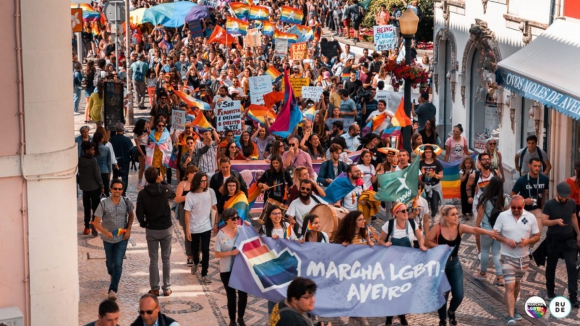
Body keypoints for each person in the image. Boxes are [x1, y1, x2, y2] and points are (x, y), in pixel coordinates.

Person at [425, 205, 498, 326]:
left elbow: (475, 230)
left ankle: (451, 311)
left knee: (458, 295)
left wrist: (489, 232)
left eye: (456, 214)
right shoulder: (437, 228)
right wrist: (440, 247)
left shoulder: (460, 227)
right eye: (453, 214)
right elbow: (427, 241)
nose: (456, 216)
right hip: (441, 265)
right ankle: (443, 320)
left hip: (454, 264)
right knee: (443, 294)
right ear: (446, 217)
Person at [493, 195, 540, 325]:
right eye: (513, 207)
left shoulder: (530, 217)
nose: (516, 210)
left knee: (517, 285)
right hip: (507, 256)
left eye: (519, 207)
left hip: (523, 258)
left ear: (523, 206)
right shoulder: (503, 216)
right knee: (509, 285)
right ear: (510, 206)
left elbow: (537, 236)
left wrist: (528, 241)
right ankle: (511, 316)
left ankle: (513, 308)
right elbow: (495, 234)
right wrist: (506, 240)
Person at [379, 202, 427, 326]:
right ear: (396, 214)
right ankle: (389, 317)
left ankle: (402, 315)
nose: (407, 213)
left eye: (407, 210)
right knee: (392, 290)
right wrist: (385, 244)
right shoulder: (389, 225)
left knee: (405, 291)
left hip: (408, 263)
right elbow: (380, 240)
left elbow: (420, 237)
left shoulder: (412, 223)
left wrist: (421, 245)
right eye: (403, 211)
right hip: (392, 264)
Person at [92, 179, 134, 300]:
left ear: (122, 190)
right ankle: (113, 275)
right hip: (107, 239)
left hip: (122, 237)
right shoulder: (104, 203)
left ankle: (113, 289)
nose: (117, 191)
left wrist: (129, 229)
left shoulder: (126, 202)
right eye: (115, 188)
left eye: (120, 189)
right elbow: (96, 222)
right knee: (110, 265)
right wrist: (105, 232)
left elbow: (131, 215)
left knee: (118, 263)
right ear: (110, 189)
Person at [136, 167, 174, 297]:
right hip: (166, 228)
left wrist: (143, 223)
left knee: (153, 260)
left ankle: (155, 288)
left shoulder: (142, 194)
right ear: (158, 176)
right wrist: (163, 182)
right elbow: (173, 195)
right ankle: (167, 288)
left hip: (151, 229)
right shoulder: (165, 189)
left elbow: (139, 212)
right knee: (166, 259)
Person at [541, 182, 579, 306]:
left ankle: (573, 296)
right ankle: (550, 291)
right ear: (557, 193)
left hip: (569, 240)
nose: (564, 199)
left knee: (572, 267)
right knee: (551, 267)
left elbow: (573, 218)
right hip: (553, 240)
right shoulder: (549, 204)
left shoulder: (572, 203)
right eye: (562, 196)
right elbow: (544, 222)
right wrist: (556, 222)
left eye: (566, 196)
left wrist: (579, 233)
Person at [332, 210, 372, 326]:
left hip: (363, 270)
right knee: (354, 294)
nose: (363, 221)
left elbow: (370, 247)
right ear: (353, 222)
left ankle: (354, 318)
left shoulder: (366, 233)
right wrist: (342, 247)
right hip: (350, 271)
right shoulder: (344, 236)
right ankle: (360, 317)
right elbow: (335, 253)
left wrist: (371, 245)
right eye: (360, 220)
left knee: (361, 294)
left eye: (363, 218)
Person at [215, 208, 248, 326]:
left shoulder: (241, 230)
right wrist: (230, 253)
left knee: (243, 294)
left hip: (241, 269)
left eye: (237, 217)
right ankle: (232, 320)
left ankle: (241, 317)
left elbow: (254, 237)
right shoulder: (221, 234)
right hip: (227, 270)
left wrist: (248, 226)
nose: (236, 220)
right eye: (233, 218)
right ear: (226, 220)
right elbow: (216, 253)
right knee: (231, 295)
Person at [473, 177, 507, 286]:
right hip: (498, 231)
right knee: (497, 253)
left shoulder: (484, 198)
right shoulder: (504, 199)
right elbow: (506, 215)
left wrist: (476, 228)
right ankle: (500, 277)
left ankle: (483, 273)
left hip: (486, 229)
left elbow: (480, 215)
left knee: (485, 251)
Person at [185, 172, 217, 283]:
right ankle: (195, 262)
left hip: (206, 226)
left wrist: (215, 223)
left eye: (206, 180)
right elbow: (187, 213)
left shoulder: (210, 192)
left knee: (205, 250)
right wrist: (187, 229)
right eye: (202, 181)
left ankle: (204, 274)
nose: (205, 183)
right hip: (194, 227)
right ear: (197, 182)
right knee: (195, 250)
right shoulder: (190, 195)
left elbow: (214, 207)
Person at [510, 157, 549, 230]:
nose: (537, 168)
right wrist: (524, 200)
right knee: (526, 230)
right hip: (524, 211)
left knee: (537, 232)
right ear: (529, 166)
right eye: (535, 166)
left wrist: (541, 207)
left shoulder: (544, 179)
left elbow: (544, 192)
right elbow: (512, 195)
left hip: (537, 210)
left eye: (539, 166)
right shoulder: (521, 180)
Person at [78, 141, 105, 235]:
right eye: (92, 150)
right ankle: (93, 223)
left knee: (86, 208)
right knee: (95, 207)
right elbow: (97, 175)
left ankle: (86, 228)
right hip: (94, 188)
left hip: (85, 188)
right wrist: (102, 186)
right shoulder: (93, 161)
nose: (94, 151)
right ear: (86, 150)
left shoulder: (79, 160)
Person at [174, 165, 197, 267]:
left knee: (198, 232)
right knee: (188, 233)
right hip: (185, 210)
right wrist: (188, 196)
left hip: (197, 212)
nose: (194, 175)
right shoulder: (182, 184)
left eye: (195, 173)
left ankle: (197, 254)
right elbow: (177, 199)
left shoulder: (199, 184)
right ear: (187, 174)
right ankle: (189, 256)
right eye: (192, 173)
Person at [467, 152, 496, 220]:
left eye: (488, 159)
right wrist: (469, 197)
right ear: (479, 162)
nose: (487, 161)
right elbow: (468, 186)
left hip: (492, 204)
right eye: (484, 159)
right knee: (479, 226)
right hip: (478, 204)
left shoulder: (495, 173)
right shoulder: (474, 175)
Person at [109, 123, 133, 196]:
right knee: (125, 177)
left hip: (115, 161)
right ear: (123, 129)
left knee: (115, 176)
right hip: (125, 160)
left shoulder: (112, 139)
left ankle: (114, 189)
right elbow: (131, 150)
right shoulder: (127, 140)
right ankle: (123, 192)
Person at [420, 145, 444, 218]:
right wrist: (422, 173)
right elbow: (417, 177)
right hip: (424, 187)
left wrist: (434, 175)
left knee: (435, 205)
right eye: (426, 152)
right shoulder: (420, 163)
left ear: (432, 153)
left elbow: (441, 176)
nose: (428, 153)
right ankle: (425, 220)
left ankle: (434, 220)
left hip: (435, 186)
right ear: (424, 153)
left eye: (429, 152)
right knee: (424, 205)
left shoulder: (437, 163)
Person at [133, 119, 151, 188]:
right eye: (145, 123)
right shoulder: (136, 134)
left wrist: (149, 129)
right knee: (142, 167)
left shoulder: (147, 131)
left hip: (148, 148)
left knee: (148, 167)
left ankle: (147, 181)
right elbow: (137, 145)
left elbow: (151, 137)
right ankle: (140, 181)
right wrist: (142, 154)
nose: (147, 124)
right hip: (141, 149)